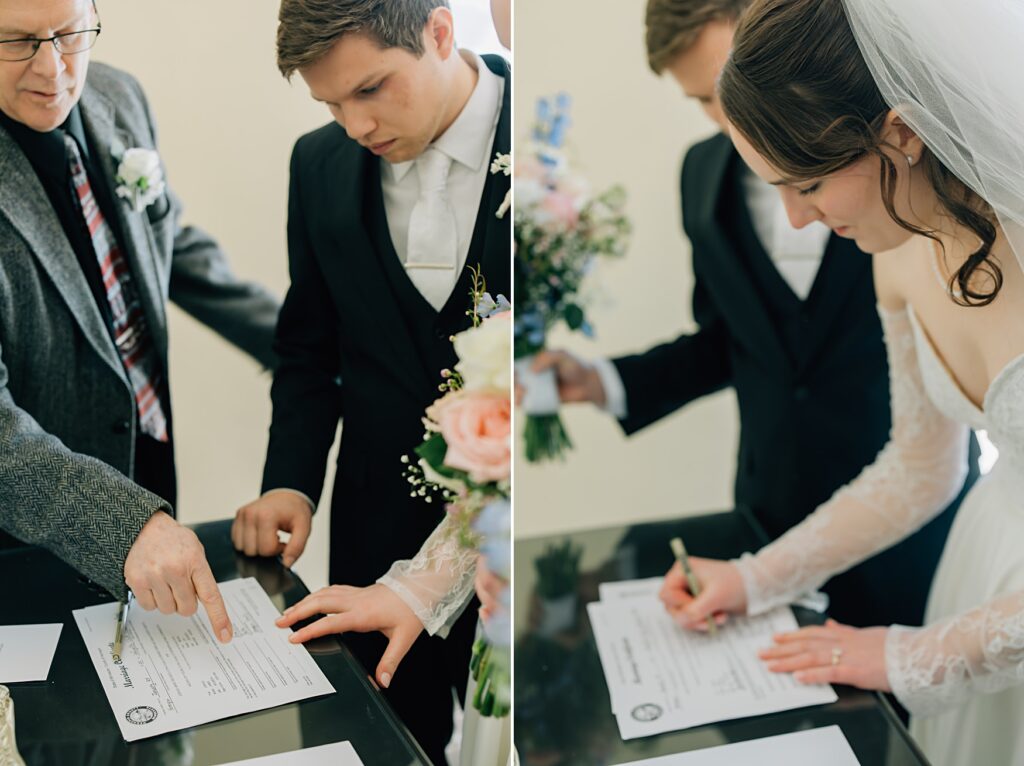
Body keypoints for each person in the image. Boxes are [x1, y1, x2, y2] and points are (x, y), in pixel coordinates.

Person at [531, 0, 977, 630]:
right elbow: (727, 341)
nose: (732, 118)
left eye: (729, 83)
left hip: (916, 526)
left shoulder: (907, 172)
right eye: (705, 102)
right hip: (767, 508)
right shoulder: (700, 177)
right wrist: (608, 380)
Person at [661, 0, 1024, 763]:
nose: (796, 219)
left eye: (809, 184)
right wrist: (754, 579)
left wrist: (908, 659)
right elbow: (923, 466)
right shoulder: (894, 256)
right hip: (988, 568)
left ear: (899, 133)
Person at [229, 1, 510, 761]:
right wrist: (290, 480)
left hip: (507, 552)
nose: (355, 126)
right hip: (370, 529)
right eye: (330, 103)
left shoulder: (542, 146)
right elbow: (307, 350)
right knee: (385, 746)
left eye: (372, 89)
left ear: (441, 33)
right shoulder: (317, 166)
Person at [0, 0, 280, 640]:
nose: (53, 68)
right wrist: (120, 522)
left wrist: (308, 342)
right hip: (25, 515)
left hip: (142, 452)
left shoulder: (118, 96)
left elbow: (167, 239)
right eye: (16, 41)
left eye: (70, 33)